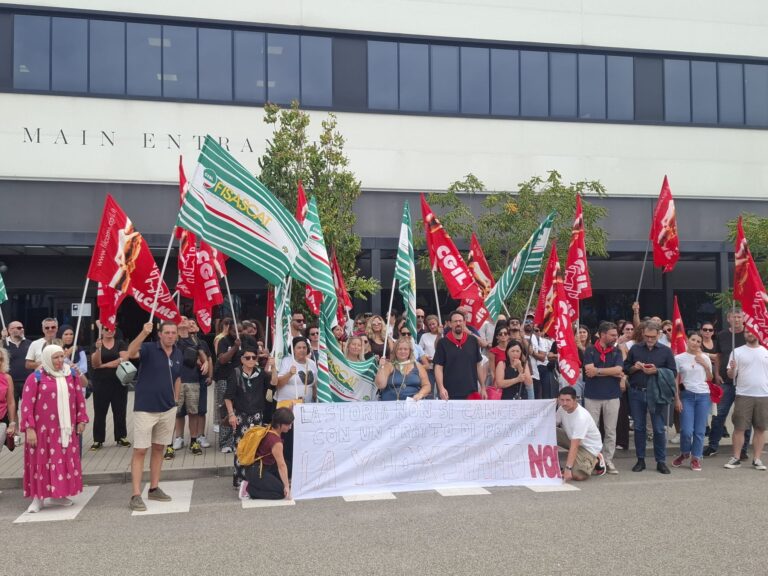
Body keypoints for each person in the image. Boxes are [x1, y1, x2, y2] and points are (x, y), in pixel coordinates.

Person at [20, 345, 88, 513]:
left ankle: (58, 494)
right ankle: (38, 498)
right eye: (55, 357)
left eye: (61, 357)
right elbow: (26, 405)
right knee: (41, 463)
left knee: (62, 461)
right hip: (42, 432)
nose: (59, 361)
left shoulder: (70, 375)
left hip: (65, 430)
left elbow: (79, 398)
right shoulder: (35, 377)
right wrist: (29, 429)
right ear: (47, 358)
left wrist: (81, 419)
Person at [127, 321, 182, 512]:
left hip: (167, 409)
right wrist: (143, 333)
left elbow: (177, 377)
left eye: (173, 332)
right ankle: (135, 494)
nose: (170, 335)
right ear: (160, 334)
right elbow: (130, 353)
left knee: (159, 448)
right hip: (145, 408)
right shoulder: (149, 348)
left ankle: (154, 487)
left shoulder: (178, 353)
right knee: (140, 450)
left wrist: (175, 400)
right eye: (167, 332)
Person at [624, 321, 677, 474]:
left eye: (652, 337)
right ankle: (640, 460)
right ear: (643, 334)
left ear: (658, 335)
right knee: (639, 427)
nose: (649, 339)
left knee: (659, 428)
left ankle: (661, 461)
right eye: (647, 336)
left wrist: (657, 371)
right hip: (637, 392)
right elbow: (626, 368)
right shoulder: (635, 348)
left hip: (657, 394)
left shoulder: (666, 351)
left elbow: (673, 372)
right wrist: (635, 367)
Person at [225, 347, 277, 487]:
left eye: (254, 357)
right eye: (247, 357)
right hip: (240, 416)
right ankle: (239, 480)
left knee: (255, 447)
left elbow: (274, 383)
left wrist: (273, 367)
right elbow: (228, 397)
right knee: (241, 447)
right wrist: (231, 415)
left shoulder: (260, 373)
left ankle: (252, 480)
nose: (251, 360)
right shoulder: (236, 373)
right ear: (242, 359)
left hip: (257, 416)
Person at [705, 309, 749, 459]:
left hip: (744, 383)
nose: (736, 319)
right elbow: (718, 356)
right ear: (728, 319)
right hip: (725, 381)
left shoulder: (749, 335)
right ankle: (713, 446)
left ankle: (743, 449)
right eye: (733, 317)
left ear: (743, 318)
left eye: (739, 317)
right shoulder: (722, 335)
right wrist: (717, 373)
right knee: (719, 415)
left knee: (744, 417)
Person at [583, 322, 624, 474]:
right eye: (612, 335)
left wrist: (598, 371)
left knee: (610, 430)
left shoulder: (617, 351)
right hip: (592, 396)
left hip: (612, 396)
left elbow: (619, 369)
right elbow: (589, 371)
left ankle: (608, 460)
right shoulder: (590, 350)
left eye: (616, 335)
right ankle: (592, 459)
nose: (615, 337)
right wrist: (611, 372)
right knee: (591, 430)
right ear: (602, 335)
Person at [723, 331, 768, 471]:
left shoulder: (766, 350)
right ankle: (736, 458)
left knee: (760, 428)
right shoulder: (737, 352)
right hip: (743, 394)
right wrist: (732, 369)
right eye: (747, 331)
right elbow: (731, 375)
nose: (750, 333)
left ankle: (757, 459)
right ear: (744, 334)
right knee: (739, 428)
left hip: (764, 395)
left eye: (752, 331)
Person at [168, 318, 209, 458]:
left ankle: (193, 442)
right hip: (175, 381)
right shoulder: (173, 338)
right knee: (174, 413)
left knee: (193, 412)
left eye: (186, 319)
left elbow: (203, 356)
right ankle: (171, 443)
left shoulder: (195, 341)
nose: (184, 321)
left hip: (193, 381)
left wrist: (206, 363)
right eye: (181, 319)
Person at [671, 333, 713, 471]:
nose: (695, 343)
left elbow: (710, 378)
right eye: (693, 340)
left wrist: (705, 365)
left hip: (703, 396)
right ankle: (684, 453)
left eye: (698, 341)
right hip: (687, 396)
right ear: (687, 341)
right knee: (686, 431)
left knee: (700, 431)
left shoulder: (705, 357)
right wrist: (677, 398)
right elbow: (675, 380)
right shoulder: (679, 358)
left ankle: (696, 458)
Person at [276, 337, 318, 475]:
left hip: (306, 409)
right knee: (289, 440)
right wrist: (289, 373)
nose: (302, 350)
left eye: (304, 347)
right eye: (299, 347)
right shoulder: (287, 361)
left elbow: (314, 385)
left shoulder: (312, 363)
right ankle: (288, 471)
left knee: (302, 440)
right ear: (293, 350)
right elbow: (278, 384)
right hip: (288, 409)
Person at [239, 407, 295, 501]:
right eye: (288, 424)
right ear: (279, 424)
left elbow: (280, 415)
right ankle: (249, 489)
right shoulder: (276, 442)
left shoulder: (269, 428)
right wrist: (286, 487)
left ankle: (266, 483)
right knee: (280, 493)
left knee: (289, 466)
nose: (290, 427)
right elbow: (281, 465)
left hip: (260, 466)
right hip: (256, 471)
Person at [90, 324, 129, 450]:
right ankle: (98, 440)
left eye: (112, 329)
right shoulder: (96, 344)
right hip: (100, 383)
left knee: (120, 411)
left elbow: (123, 360)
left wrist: (104, 365)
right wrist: (98, 350)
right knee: (100, 412)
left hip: (119, 382)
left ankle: (121, 437)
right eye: (106, 329)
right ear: (101, 331)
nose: (110, 331)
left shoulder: (120, 343)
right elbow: (95, 364)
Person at [434, 310, 486, 400]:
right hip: (449, 393)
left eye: (460, 321)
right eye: (455, 321)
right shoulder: (442, 343)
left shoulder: (473, 341)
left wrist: (483, 387)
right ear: (450, 324)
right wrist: (441, 388)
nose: (458, 323)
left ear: (464, 322)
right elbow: (438, 367)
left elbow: (478, 365)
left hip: (471, 391)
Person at [556, 386, 605, 481]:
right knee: (551, 432)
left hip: (588, 448)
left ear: (575, 400)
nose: (564, 403)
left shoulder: (581, 417)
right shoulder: (562, 408)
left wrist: (568, 469)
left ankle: (596, 459)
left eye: (568, 400)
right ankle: (553, 464)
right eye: (562, 400)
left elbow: (574, 446)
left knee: (577, 475)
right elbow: (551, 426)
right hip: (572, 439)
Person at [214, 319, 242, 453]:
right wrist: (235, 347)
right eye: (234, 331)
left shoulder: (246, 341)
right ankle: (225, 442)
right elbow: (222, 359)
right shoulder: (223, 341)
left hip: (240, 378)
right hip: (224, 378)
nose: (237, 333)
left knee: (239, 409)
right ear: (229, 330)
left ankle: (236, 440)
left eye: (240, 331)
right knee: (225, 410)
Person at [375, 337, 431, 401]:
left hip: (412, 403)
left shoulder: (418, 366)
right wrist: (381, 367)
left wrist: (420, 394)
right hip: (390, 403)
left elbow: (427, 385)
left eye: (405, 349)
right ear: (395, 351)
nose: (402, 351)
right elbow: (380, 385)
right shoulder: (389, 365)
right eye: (400, 349)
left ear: (410, 351)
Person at [2, 320, 32, 435]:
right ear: (9, 330)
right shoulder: (4, 344)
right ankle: (15, 433)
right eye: (17, 328)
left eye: (21, 327)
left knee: (29, 407)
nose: (21, 329)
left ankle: (29, 430)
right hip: (11, 382)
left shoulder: (30, 344)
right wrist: (2, 339)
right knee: (13, 409)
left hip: (28, 381)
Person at [0, 349, 18, 454]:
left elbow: (11, 402)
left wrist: (12, 423)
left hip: (1, 421)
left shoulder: (7, 378)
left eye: (1, 359)